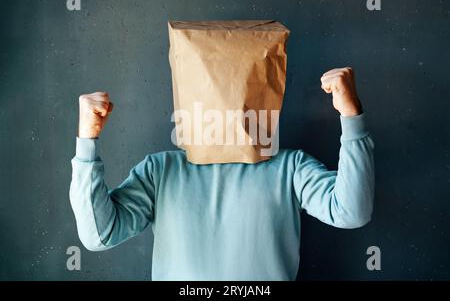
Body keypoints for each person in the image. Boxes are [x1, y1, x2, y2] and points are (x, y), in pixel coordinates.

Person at [69, 67, 374, 280]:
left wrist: (351, 116)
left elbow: (350, 212)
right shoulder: (160, 171)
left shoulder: (289, 167)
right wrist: (86, 139)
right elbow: (100, 235)